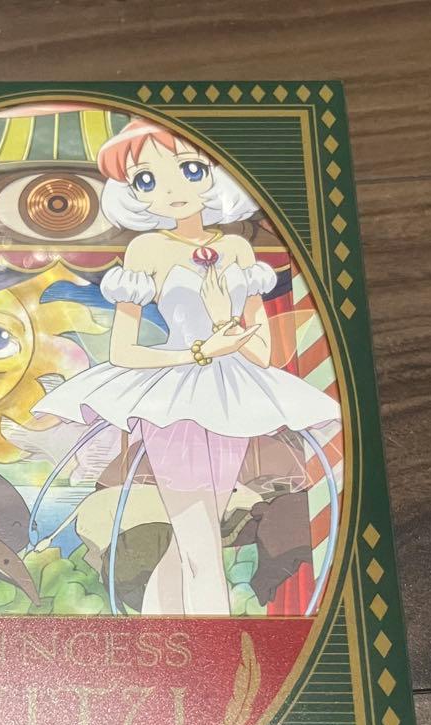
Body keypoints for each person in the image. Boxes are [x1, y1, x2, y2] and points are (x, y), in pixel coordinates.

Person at [33, 119, 340, 615]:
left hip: (233, 398)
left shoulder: (238, 249)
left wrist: (222, 325)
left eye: (190, 170)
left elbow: (261, 350)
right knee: (203, 550)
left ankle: (161, 638)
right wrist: (200, 351)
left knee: (191, 542)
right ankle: (217, 650)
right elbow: (123, 351)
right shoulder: (145, 249)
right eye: (146, 179)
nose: (171, 189)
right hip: (174, 400)